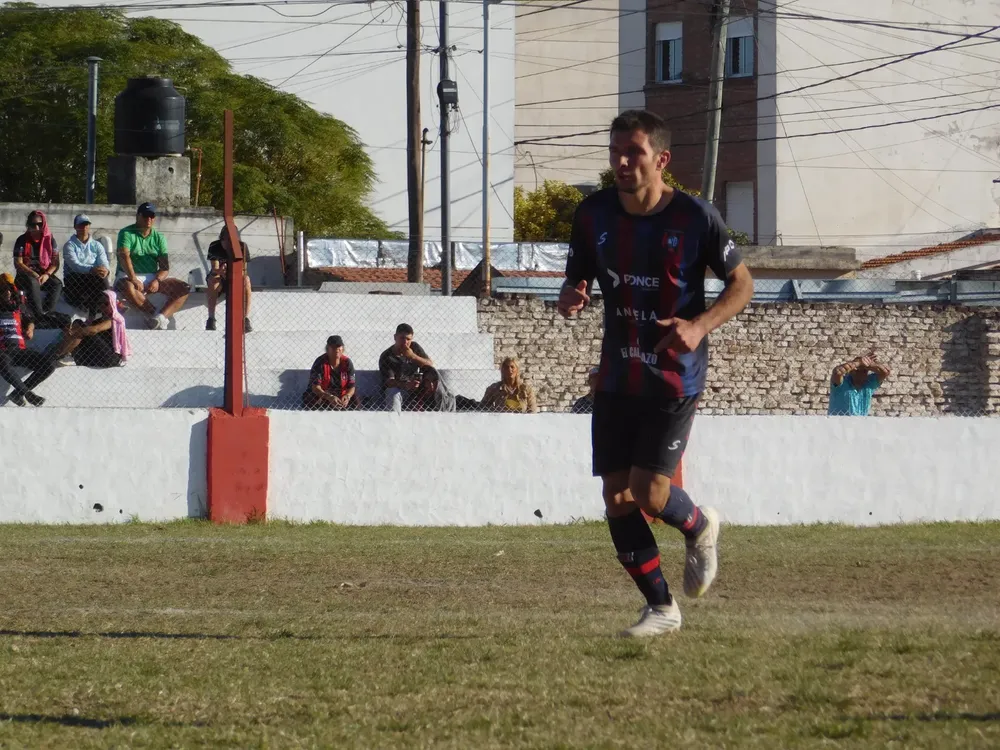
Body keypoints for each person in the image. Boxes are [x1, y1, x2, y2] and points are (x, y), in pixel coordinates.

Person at [558, 109, 755, 638]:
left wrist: (700, 325)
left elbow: (743, 285)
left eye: (634, 153)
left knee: (648, 493)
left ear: (661, 159)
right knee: (616, 496)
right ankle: (662, 608)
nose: (622, 162)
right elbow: (577, 277)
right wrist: (571, 295)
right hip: (618, 374)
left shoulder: (696, 217)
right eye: (615, 152)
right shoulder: (593, 214)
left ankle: (698, 524)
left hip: (674, 375)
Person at [115, 202, 191, 330]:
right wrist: (133, 278)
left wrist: (157, 280)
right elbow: (124, 256)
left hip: (151, 276)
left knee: (184, 288)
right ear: (138, 216)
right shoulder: (126, 233)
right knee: (128, 286)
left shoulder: (159, 237)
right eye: (145, 216)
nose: (149, 219)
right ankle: (155, 315)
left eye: (152, 216)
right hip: (127, 275)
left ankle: (160, 318)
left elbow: (164, 267)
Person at [0, 274, 55, 407]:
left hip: (19, 350)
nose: (7, 293)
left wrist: (30, 329)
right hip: (3, 352)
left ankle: (17, 394)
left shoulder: (19, 307)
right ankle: (27, 393)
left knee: (49, 365)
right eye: (2, 291)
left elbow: (30, 320)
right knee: (3, 364)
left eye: (9, 290)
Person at [51, 290, 130, 369]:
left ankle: (60, 354)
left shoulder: (115, 319)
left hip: (112, 357)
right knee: (78, 323)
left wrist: (75, 331)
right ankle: (63, 355)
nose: (102, 306)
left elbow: (95, 329)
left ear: (112, 303)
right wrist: (71, 330)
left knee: (85, 330)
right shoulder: (99, 320)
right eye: (100, 303)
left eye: (106, 303)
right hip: (99, 354)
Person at [12, 210, 64, 326]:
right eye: (33, 224)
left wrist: (47, 275)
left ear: (44, 224)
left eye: (39, 224)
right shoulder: (22, 240)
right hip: (24, 275)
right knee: (33, 281)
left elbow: (55, 263)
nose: (36, 227)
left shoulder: (50, 240)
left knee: (57, 284)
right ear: (28, 225)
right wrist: (33, 273)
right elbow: (18, 263)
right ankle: (39, 315)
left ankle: (48, 312)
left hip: (43, 273)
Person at [205, 226, 253, 333]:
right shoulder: (215, 246)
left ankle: (245, 318)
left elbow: (244, 270)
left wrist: (232, 273)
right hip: (219, 277)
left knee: (246, 280)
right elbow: (214, 268)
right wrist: (221, 271)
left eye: (230, 241)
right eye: (224, 240)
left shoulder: (242, 247)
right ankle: (211, 318)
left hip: (235, 277)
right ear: (221, 239)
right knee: (214, 280)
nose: (227, 244)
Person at [378, 323, 434, 412]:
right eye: (402, 338)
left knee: (435, 381)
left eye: (408, 339)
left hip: (416, 389)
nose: (405, 342)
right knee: (392, 392)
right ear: (395, 337)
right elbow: (389, 382)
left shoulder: (414, 347)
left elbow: (430, 364)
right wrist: (407, 385)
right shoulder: (387, 356)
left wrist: (413, 356)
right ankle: (394, 420)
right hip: (399, 389)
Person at [62, 214, 112, 313]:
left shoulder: (97, 245)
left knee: (101, 277)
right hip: (75, 277)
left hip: (93, 276)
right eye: (81, 225)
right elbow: (74, 265)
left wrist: (105, 270)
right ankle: (111, 304)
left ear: (89, 226)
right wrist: (92, 269)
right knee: (97, 280)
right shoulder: (69, 245)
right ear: (75, 227)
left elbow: (103, 261)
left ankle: (106, 306)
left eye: (86, 224)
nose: (84, 227)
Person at [303, 335, 359, 410]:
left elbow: (352, 386)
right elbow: (315, 387)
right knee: (311, 399)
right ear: (327, 349)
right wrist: (329, 397)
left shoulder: (347, 362)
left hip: (340, 393)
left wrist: (347, 396)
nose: (337, 349)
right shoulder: (320, 362)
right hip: (324, 393)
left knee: (356, 402)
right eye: (333, 347)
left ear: (342, 349)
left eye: (339, 347)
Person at [828, 352, 890, 416]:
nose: (859, 373)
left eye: (863, 371)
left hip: (860, 424)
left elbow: (885, 372)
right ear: (851, 371)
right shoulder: (840, 384)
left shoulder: (869, 383)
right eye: (856, 370)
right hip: (839, 424)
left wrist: (872, 365)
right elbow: (838, 372)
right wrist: (859, 363)